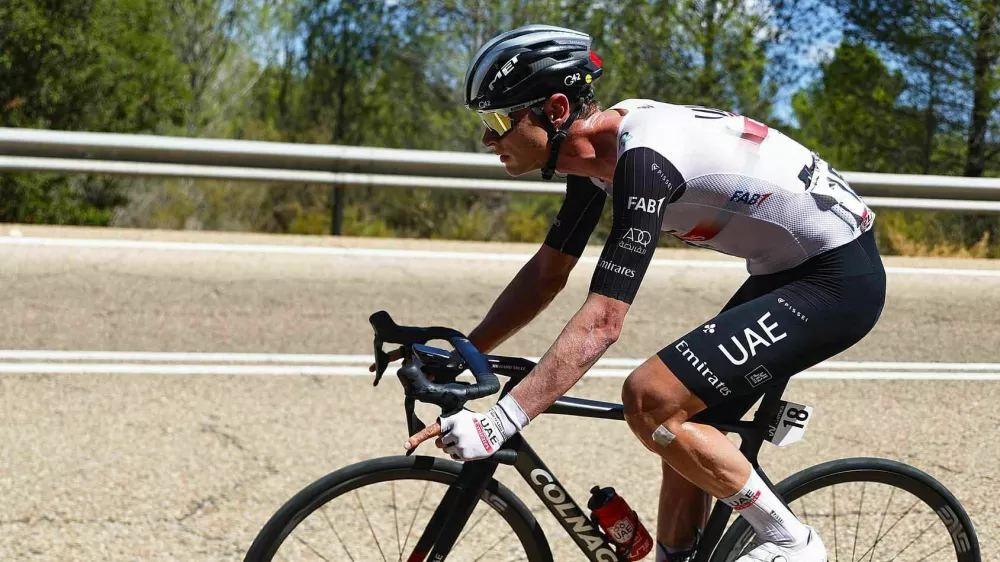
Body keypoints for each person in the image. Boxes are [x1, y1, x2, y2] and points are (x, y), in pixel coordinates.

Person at [403, 24, 886, 562]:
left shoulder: (644, 159)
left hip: (837, 279)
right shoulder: (595, 159)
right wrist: (465, 353)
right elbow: (547, 273)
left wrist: (501, 422)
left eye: (498, 121)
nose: (487, 140)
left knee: (651, 398)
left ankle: (792, 542)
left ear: (556, 110)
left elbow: (603, 322)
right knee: (681, 429)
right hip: (788, 269)